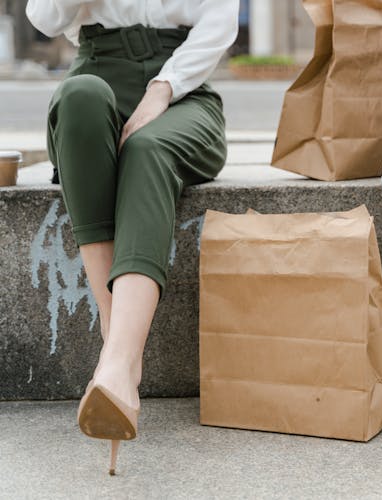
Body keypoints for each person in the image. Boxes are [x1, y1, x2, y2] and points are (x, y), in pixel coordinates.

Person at [26, 0, 239, 474]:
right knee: (79, 95)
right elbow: (43, 18)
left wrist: (163, 88)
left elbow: (220, 20)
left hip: (182, 88)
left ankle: (120, 362)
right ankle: (115, 341)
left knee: (147, 147)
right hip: (94, 76)